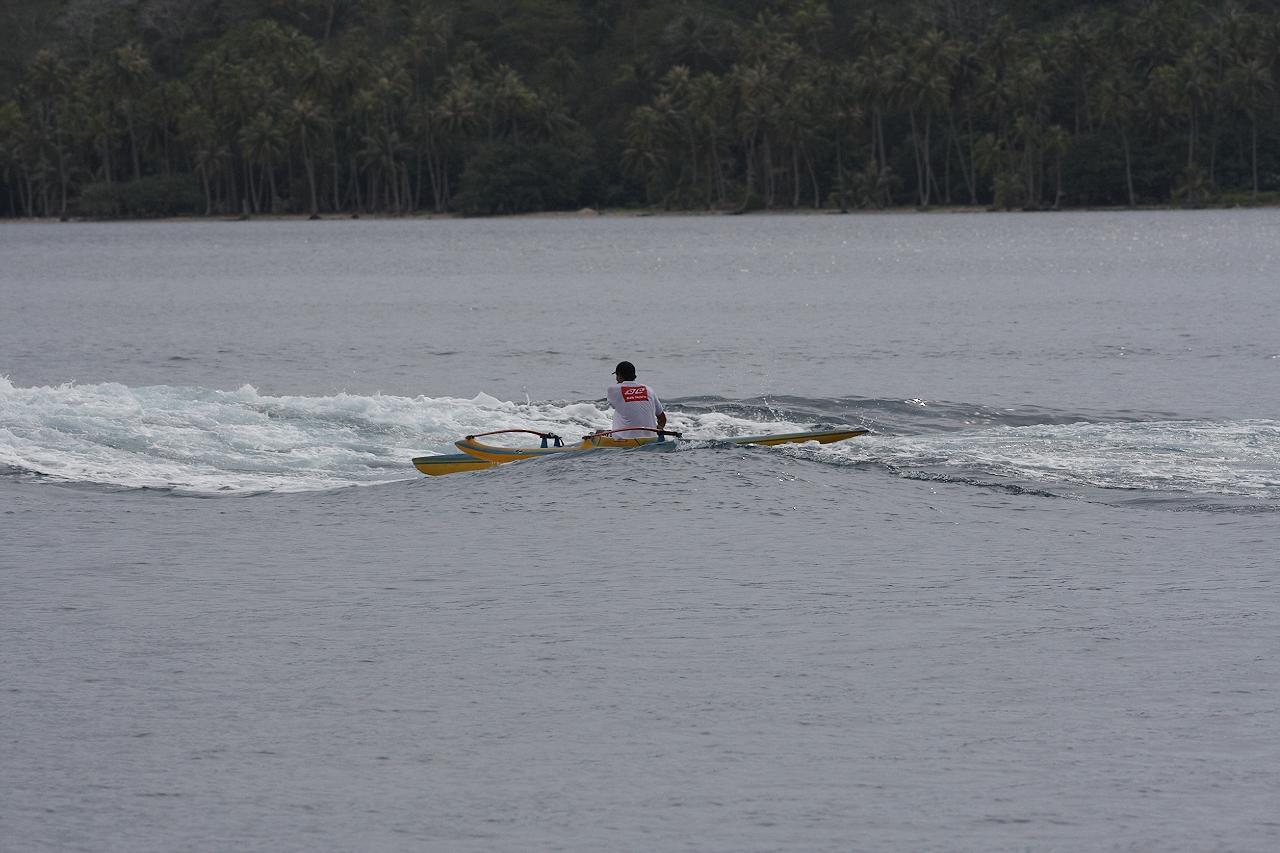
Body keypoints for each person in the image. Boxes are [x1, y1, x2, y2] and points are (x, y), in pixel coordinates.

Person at [605, 360, 666, 438]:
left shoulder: (612, 389)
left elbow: (616, 405)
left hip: (627, 440)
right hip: (651, 438)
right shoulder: (648, 389)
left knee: (598, 432)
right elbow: (662, 418)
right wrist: (660, 428)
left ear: (619, 375)